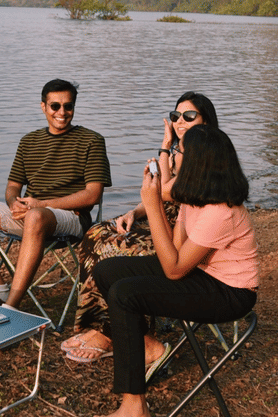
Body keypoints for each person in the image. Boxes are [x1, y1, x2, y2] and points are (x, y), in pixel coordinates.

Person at [93, 125, 259, 417]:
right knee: (108, 271)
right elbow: (172, 251)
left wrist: (153, 205)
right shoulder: (195, 197)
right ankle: (147, 347)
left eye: (176, 151)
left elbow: (173, 269)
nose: (171, 156)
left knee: (125, 294)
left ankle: (134, 406)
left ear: (194, 161)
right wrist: (155, 202)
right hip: (200, 273)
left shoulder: (221, 211)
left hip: (231, 292)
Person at [62, 92, 219, 363]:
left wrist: (166, 156)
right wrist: (133, 211)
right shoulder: (177, 152)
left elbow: (165, 193)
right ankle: (97, 325)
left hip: (185, 234)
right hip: (159, 219)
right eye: (176, 116)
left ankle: (118, 333)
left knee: (116, 249)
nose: (180, 121)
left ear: (205, 121)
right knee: (96, 234)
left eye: (189, 116)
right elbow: (159, 196)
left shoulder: (208, 156)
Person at [0, 79, 112, 310]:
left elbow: (92, 195)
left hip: (71, 218)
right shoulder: (29, 141)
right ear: (43, 106)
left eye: (68, 106)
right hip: (30, 213)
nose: (62, 112)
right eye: (55, 106)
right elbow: (12, 187)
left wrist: (42, 204)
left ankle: (12, 306)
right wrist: (13, 203)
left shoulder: (92, 141)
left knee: (36, 216)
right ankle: (0, 291)